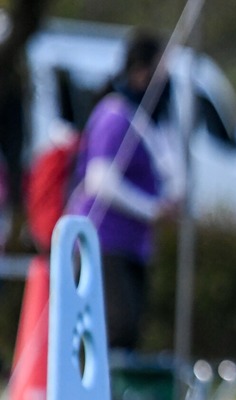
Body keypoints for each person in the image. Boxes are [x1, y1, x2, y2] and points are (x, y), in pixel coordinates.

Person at [68, 30, 178, 352]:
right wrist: (152, 209)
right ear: (141, 70)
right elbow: (99, 179)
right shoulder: (114, 115)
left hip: (133, 244)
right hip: (105, 241)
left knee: (129, 330)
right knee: (115, 326)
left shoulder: (144, 119)